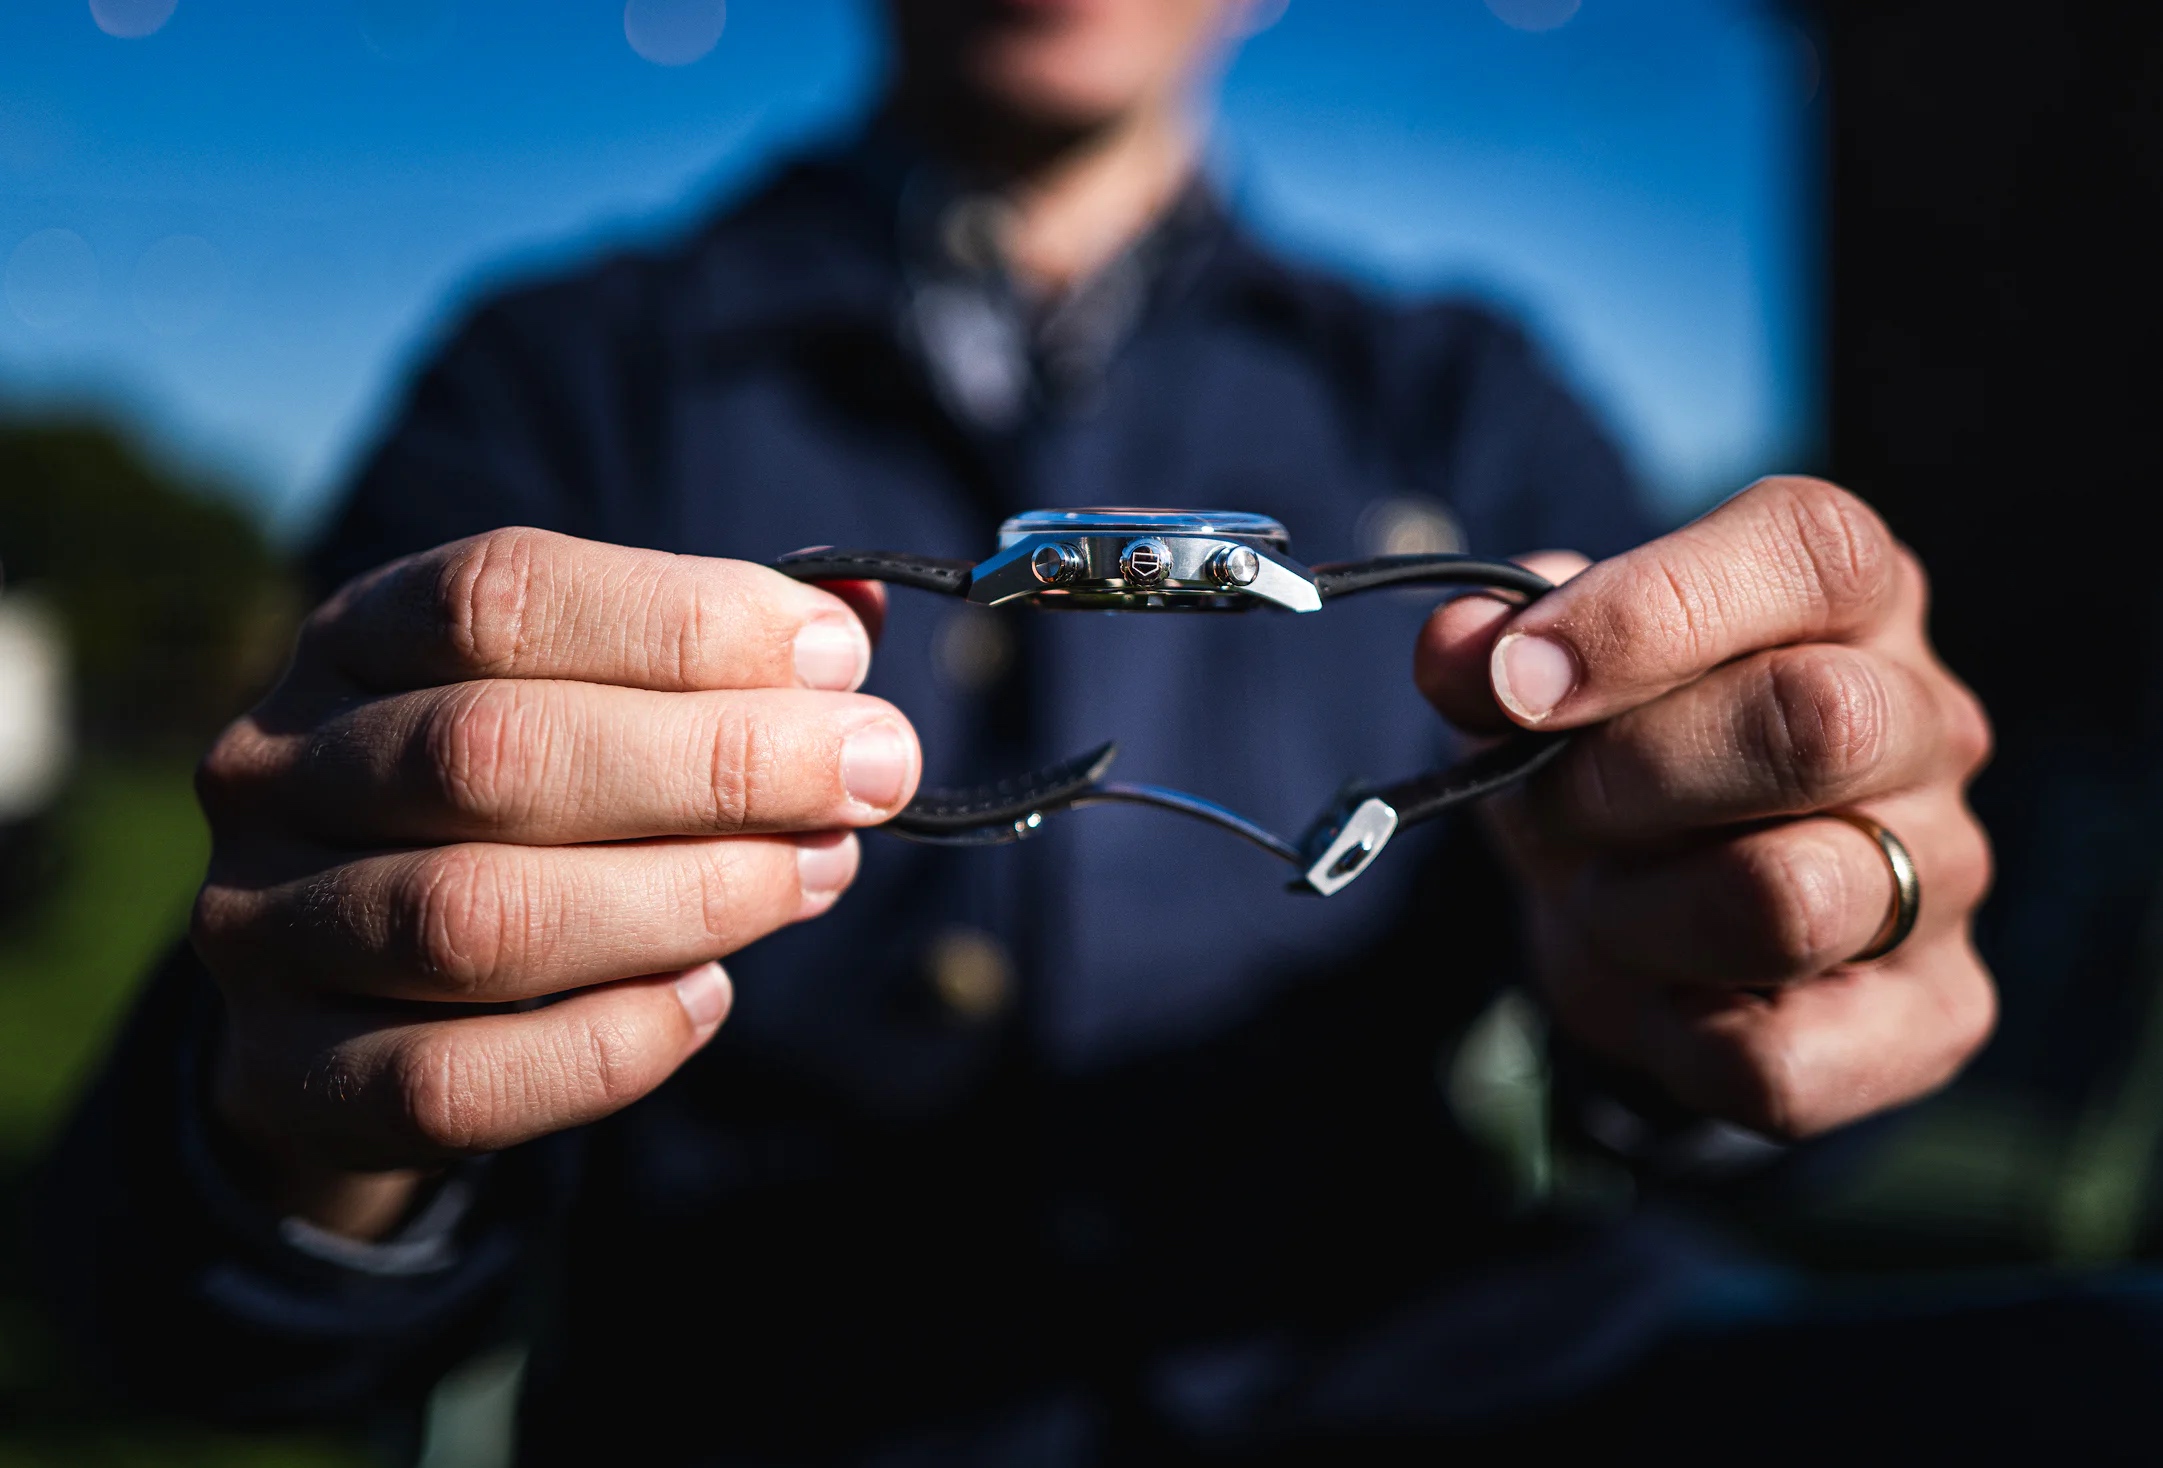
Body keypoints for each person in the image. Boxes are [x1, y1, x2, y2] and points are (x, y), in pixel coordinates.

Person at [40, 0, 2005, 1460]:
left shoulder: (1455, 396)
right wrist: (314, 1105)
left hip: (1447, 1384)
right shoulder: (567, 387)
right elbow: (181, 1295)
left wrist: (1784, 936)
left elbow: (1808, 1084)